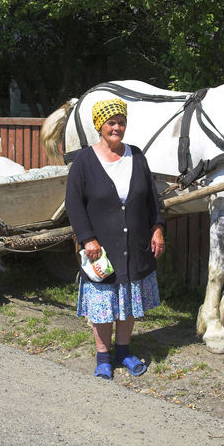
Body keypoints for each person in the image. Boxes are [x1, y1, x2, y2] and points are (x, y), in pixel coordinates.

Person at [65, 97, 165, 380]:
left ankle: (123, 351)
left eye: (121, 122)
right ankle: (103, 357)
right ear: (100, 126)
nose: (117, 128)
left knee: (128, 302)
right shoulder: (85, 160)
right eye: (111, 123)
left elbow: (152, 201)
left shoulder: (136, 156)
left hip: (134, 245)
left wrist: (157, 228)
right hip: (101, 248)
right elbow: (73, 203)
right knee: (103, 305)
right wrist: (87, 239)